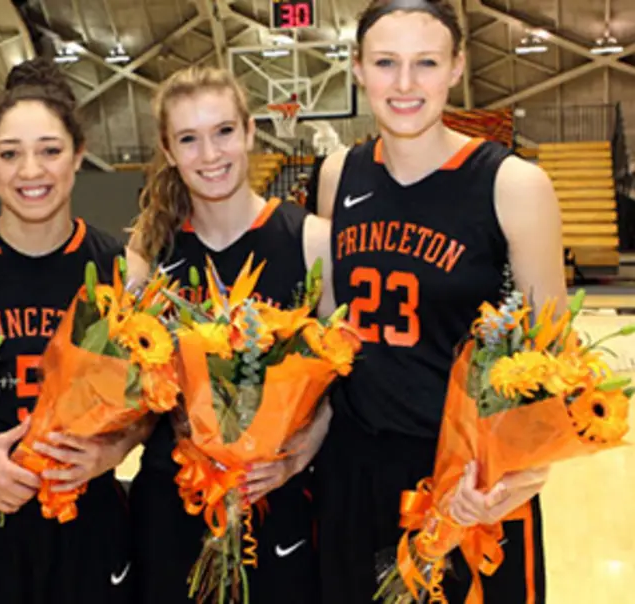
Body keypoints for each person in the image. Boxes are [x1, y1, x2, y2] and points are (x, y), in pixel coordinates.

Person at [313, 0, 564, 602]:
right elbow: (328, 331)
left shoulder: (512, 184)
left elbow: (554, 357)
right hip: (355, 468)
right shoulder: (336, 175)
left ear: (456, 68)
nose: (404, 84)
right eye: (385, 63)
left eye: (425, 63)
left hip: (468, 480)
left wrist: (522, 475)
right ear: (357, 68)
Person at [0, 58, 140, 603]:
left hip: (86, 522)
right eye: (11, 153)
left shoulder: (123, 268)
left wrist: (112, 452)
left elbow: (151, 402)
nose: (30, 171)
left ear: (79, 155)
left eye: (50, 150)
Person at [125, 65, 334, 604]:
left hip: (277, 493)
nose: (210, 155)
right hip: (174, 497)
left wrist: (297, 455)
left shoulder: (311, 241)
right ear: (169, 152)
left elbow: (343, 373)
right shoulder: (148, 256)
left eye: (222, 132)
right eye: (189, 140)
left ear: (248, 132)